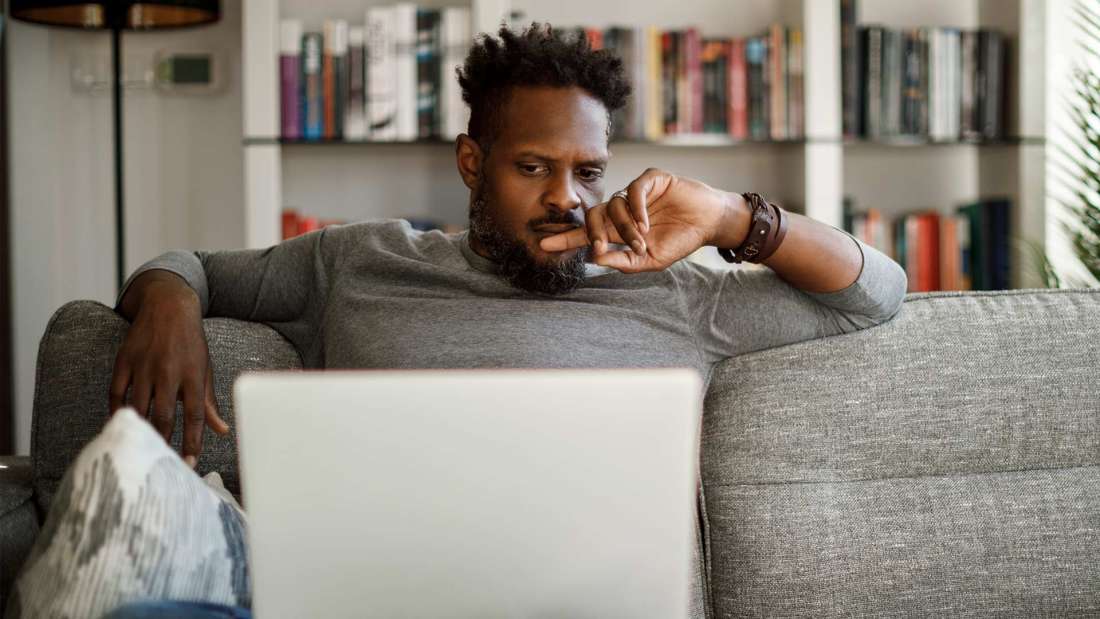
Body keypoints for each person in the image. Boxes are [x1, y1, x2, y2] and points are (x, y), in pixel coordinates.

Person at [107, 22, 907, 619]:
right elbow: (191, 266)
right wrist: (172, 300)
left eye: (589, 172)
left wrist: (735, 217)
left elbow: (875, 293)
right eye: (533, 167)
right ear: (472, 164)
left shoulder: (672, 294)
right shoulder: (361, 262)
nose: (568, 197)